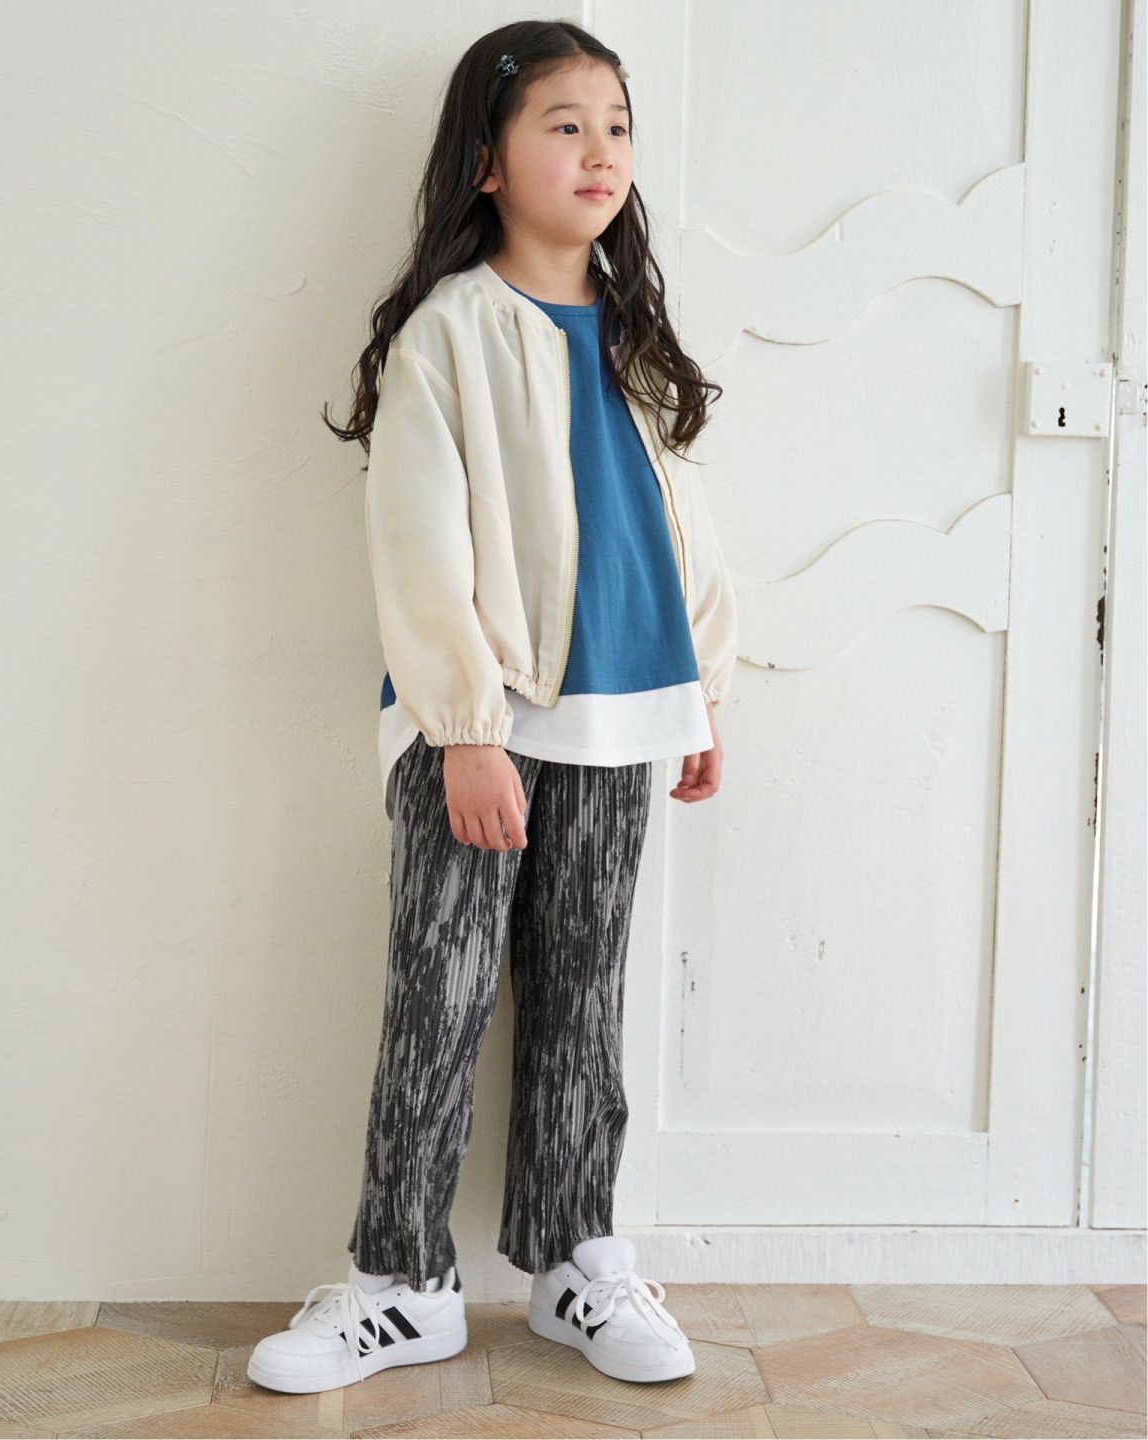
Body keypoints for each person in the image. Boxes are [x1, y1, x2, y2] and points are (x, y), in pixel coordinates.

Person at [247, 17, 738, 1398]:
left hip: (627, 719)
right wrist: (467, 729)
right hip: (485, 726)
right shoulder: (450, 333)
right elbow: (419, 547)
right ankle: (402, 1283)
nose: (600, 152)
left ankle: (579, 1263)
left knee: (584, 998)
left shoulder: (639, 336)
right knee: (441, 997)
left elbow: (683, 528)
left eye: (617, 126)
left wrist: (701, 693)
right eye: (564, 126)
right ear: (486, 162)